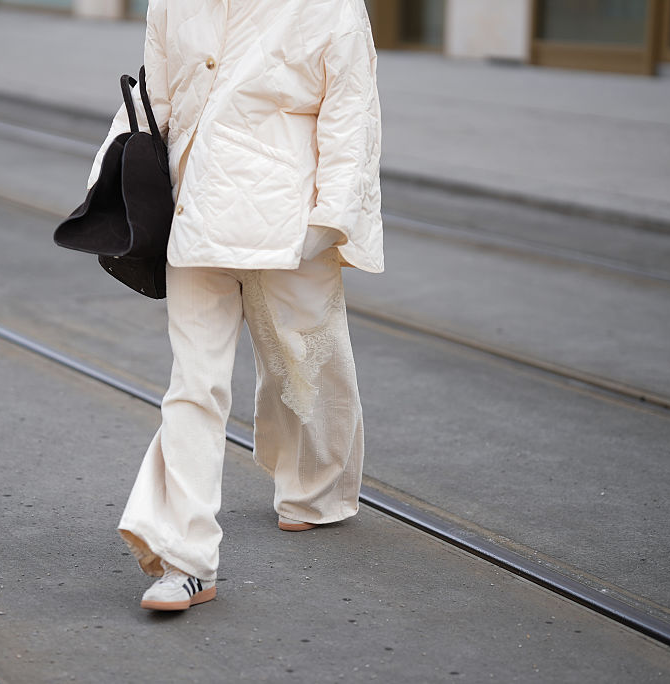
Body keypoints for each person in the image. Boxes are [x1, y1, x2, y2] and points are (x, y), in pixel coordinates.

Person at [86, 0, 383, 611]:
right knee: (194, 385)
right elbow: (154, 99)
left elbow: (350, 113)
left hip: (290, 220)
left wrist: (329, 222)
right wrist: (110, 185)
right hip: (193, 212)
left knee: (303, 360)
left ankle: (315, 489)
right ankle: (185, 559)